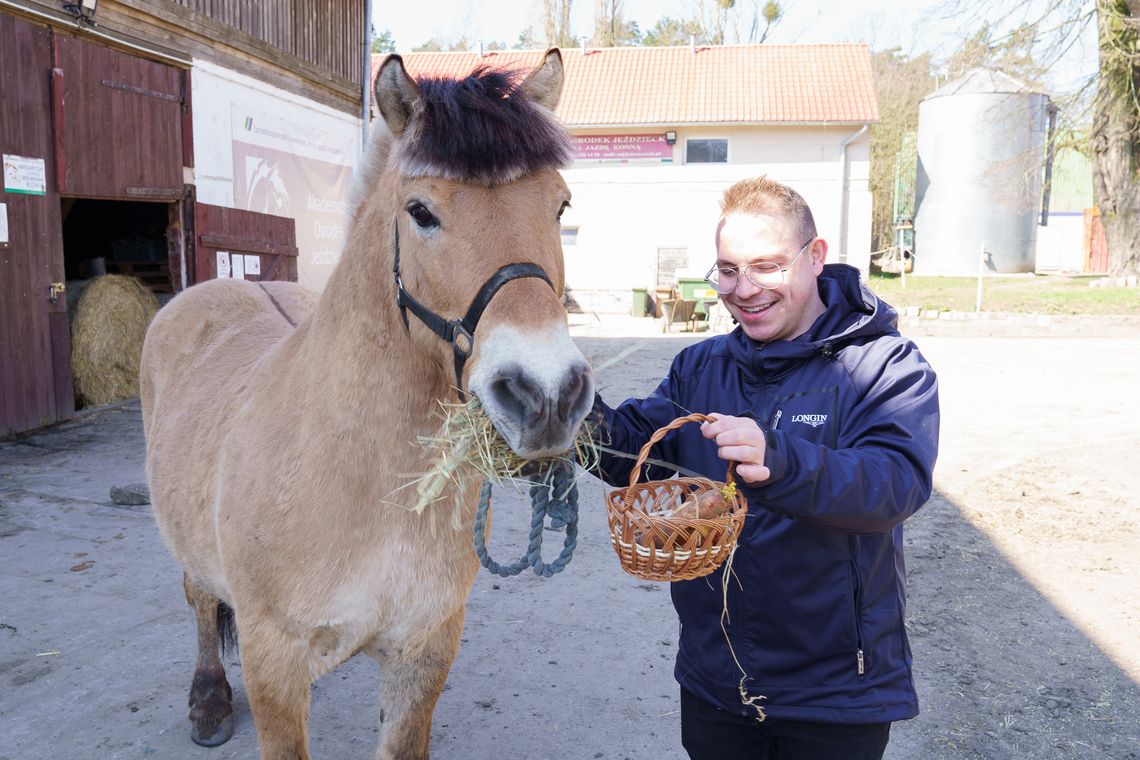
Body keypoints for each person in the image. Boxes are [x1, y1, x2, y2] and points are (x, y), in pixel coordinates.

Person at [592, 176, 940, 760]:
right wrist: (570, 419)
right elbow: (639, 450)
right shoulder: (699, 366)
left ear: (816, 257)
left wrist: (778, 460)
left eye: (767, 267)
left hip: (834, 697)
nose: (743, 289)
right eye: (728, 270)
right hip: (714, 684)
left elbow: (894, 484)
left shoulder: (884, 366)